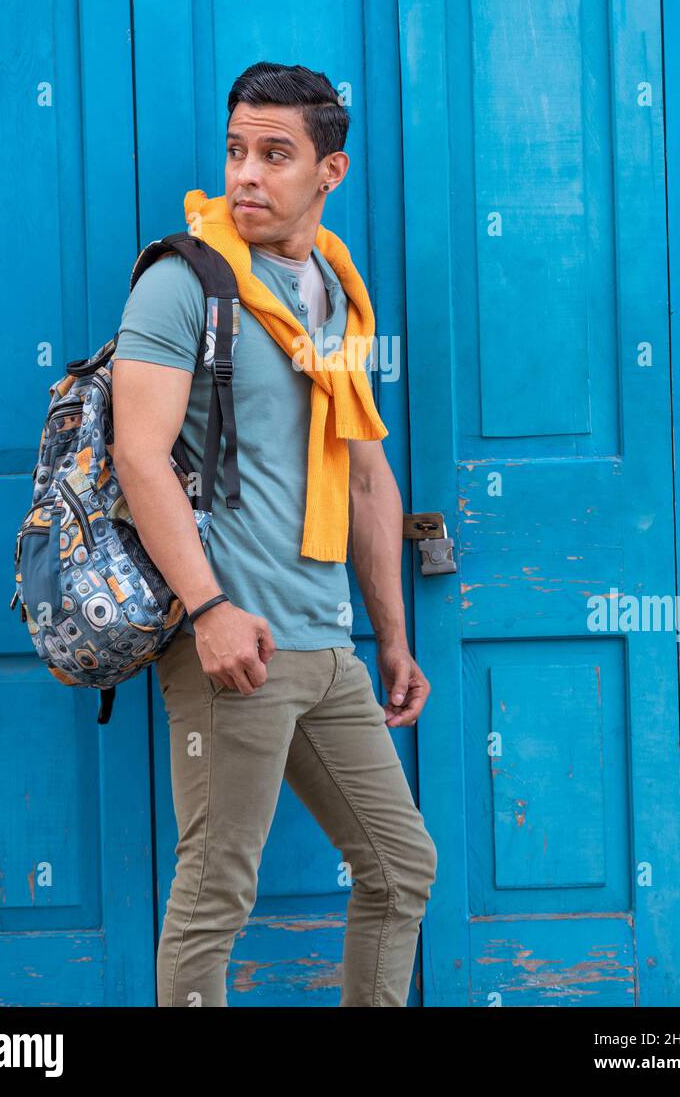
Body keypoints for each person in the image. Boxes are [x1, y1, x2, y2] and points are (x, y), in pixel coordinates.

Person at [111, 61, 437, 1007]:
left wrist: (390, 636)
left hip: (325, 645)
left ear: (329, 172)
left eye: (274, 154)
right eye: (235, 151)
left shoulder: (335, 291)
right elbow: (139, 457)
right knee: (216, 894)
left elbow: (366, 473)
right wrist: (208, 609)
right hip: (233, 646)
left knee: (399, 868)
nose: (245, 175)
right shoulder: (185, 282)